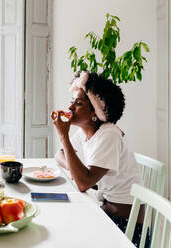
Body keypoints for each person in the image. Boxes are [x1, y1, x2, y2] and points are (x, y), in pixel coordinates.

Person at [51, 71, 149, 247]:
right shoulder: (86, 131)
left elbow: (83, 183)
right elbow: (59, 155)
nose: (71, 107)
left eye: (79, 103)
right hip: (107, 210)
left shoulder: (109, 134)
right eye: (71, 102)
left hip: (128, 229)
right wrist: (74, 170)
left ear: (95, 112)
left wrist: (63, 136)